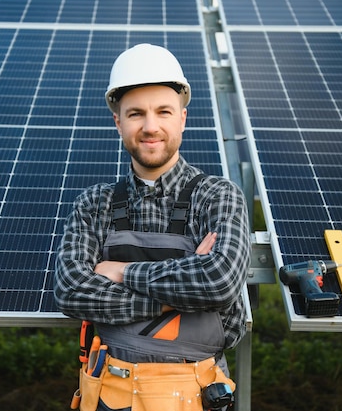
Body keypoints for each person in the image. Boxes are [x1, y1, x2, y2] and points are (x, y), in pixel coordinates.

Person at [54, 43, 250, 411]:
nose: (150, 126)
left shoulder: (218, 196)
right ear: (118, 122)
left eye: (163, 111)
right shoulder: (94, 204)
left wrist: (121, 271)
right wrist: (183, 294)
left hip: (198, 396)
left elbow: (219, 281)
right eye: (135, 114)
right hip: (110, 395)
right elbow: (72, 291)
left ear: (182, 119)